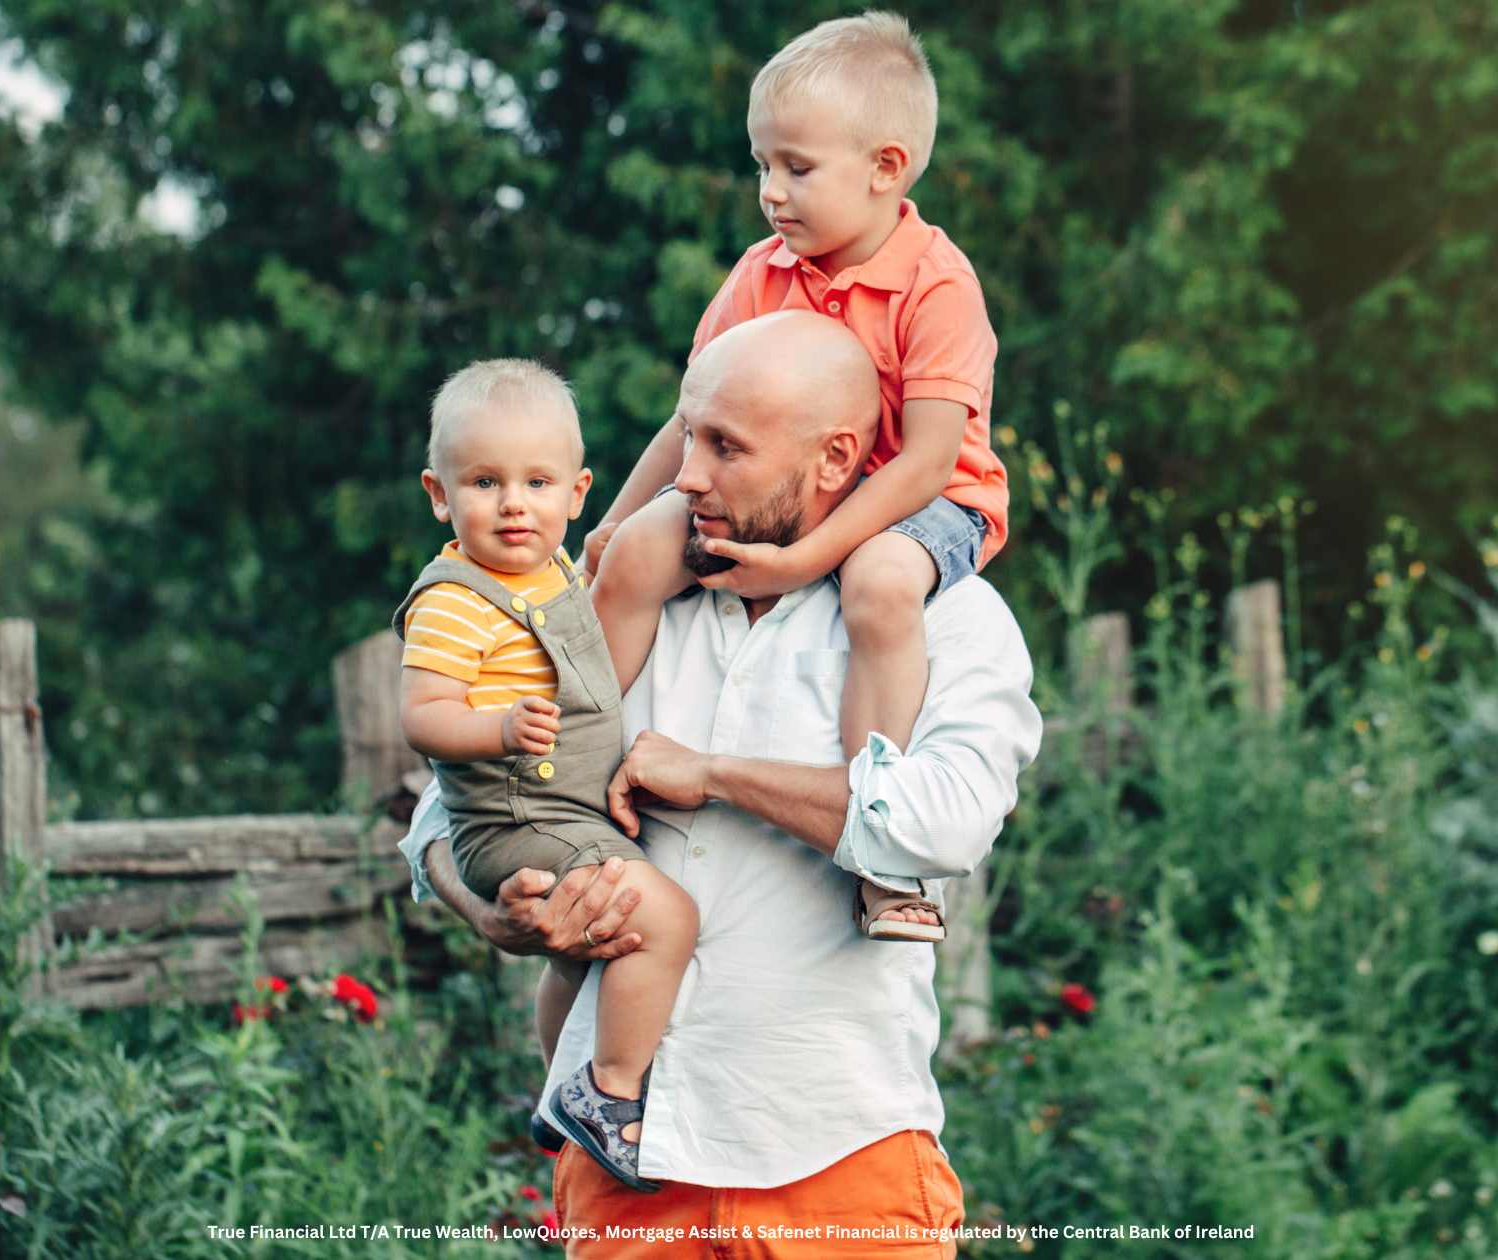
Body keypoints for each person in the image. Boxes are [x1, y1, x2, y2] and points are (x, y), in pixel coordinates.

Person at [398, 311, 1042, 1256]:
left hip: (840, 1156)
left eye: (725, 447)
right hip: (628, 1170)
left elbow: (942, 826)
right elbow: (447, 802)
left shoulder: (944, 618)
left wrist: (714, 774)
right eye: (687, 434)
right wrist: (486, 907)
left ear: (833, 460)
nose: (685, 472)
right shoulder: (611, 600)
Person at [583, 12, 1009, 945]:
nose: (771, 193)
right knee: (641, 552)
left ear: (886, 168)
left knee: (882, 584)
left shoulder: (936, 285)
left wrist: (807, 556)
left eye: (797, 169)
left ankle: (880, 843)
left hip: (927, 503)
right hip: (789, 506)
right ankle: (571, 780)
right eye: (762, 165)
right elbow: (690, 418)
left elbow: (933, 459)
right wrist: (612, 522)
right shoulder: (760, 274)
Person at [394, 359, 698, 1192]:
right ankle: (610, 1095)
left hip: (559, 805)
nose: (513, 503)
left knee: (577, 960)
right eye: (485, 482)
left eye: (536, 481)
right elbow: (421, 716)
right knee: (665, 915)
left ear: (578, 492)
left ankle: (559, 1083)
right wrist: (493, 726)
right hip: (515, 814)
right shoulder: (455, 599)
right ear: (438, 494)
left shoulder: (559, 573)